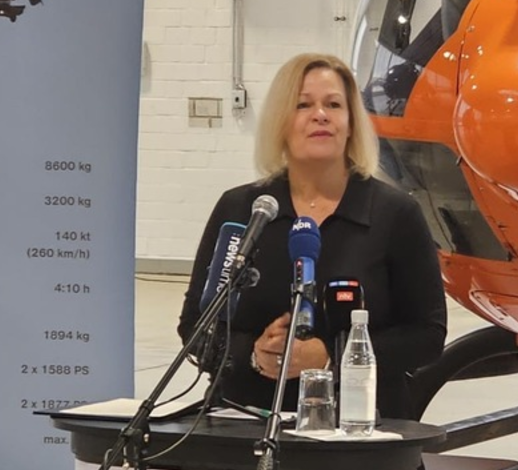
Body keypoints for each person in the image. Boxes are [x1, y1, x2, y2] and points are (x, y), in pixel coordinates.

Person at [178, 53, 447, 420]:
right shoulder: (242, 210)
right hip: (245, 420)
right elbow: (196, 325)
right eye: (303, 104)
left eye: (333, 104)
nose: (320, 115)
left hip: (363, 427)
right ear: (280, 122)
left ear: (351, 122)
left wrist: (330, 357)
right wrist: (252, 354)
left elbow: (427, 337)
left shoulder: (396, 215)